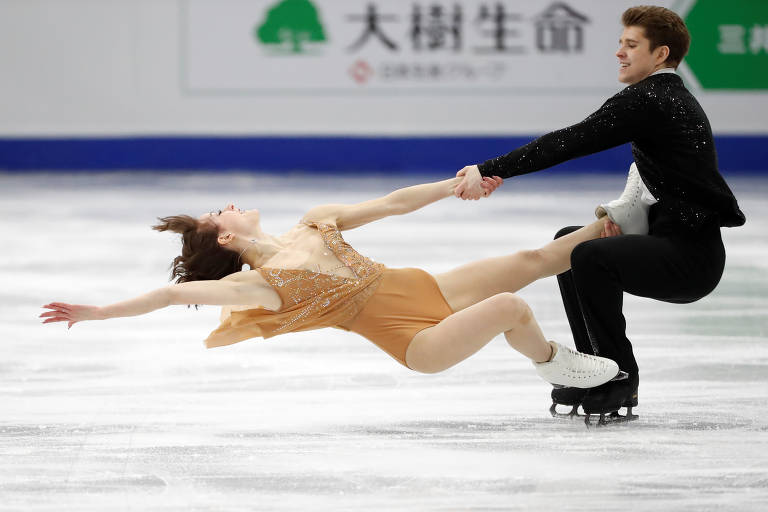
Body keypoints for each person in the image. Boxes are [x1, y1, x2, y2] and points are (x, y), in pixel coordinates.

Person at [41, 176, 625, 391]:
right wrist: (99, 313)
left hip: (428, 288)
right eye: (219, 213)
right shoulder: (260, 285)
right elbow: (172, 294)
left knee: (533, 257)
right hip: (415, 341)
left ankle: (622, 217)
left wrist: (454, 186)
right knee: (510, 305)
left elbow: (393, 203)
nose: (228, 205)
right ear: (227, 238)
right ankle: (553, 363)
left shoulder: (316, 221)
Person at [453, 6, 746, 424]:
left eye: (631, 45)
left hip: (691, 258)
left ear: (660, 54)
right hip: (671, 243)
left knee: (590, 256)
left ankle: (619, 377)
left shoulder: (651, 98)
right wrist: (624, 219)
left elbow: (570, 141)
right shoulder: (664, 98)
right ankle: (595, 372)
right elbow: (656, 181)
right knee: (571, 241)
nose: (619, 52)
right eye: (620, 43)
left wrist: (489, 168)